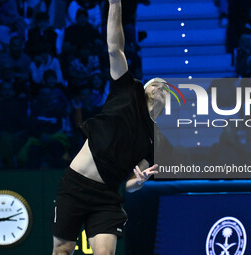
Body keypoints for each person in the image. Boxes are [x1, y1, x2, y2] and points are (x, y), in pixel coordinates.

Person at [51, 0, 168, 254]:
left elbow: (131, 183)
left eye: (164, 87)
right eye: (154, 83)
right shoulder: (127, 91)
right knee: (62, 250)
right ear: (145, 88)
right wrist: (115, 4)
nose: (159, 85)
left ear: (167, 103)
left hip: (106, 198)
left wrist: (138, 183)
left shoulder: (154, 142)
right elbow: (115, 48)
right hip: (76, 184)